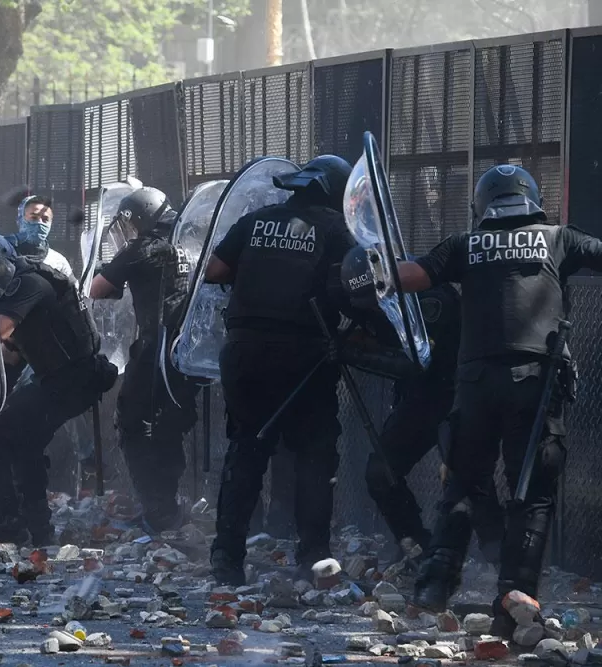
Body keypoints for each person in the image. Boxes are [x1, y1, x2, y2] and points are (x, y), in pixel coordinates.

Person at [393, 165, 602, 636]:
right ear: (531, 197)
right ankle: (514, 602)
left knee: (464, 484)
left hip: (476, 385)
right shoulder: (557, 238)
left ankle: (433, 585)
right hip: (534, 385)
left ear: (482, 203)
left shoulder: (464, 243)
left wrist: (370, 269)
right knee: (533, 494)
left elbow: (410, 277)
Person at [201, 155, 357, 584]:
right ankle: (314, 557)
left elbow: (213, 270)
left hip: (244, 352)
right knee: (313, 454)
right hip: (303, 353)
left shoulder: (257, 219)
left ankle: (226, 559)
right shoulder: (335, 228)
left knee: (247, 450)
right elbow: (350, 284)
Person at [0, 232, 117, 554]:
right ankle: (38, 530)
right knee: (22, 441)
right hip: (58, 379)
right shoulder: (16, 292)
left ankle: (6, 523)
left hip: (73, 379)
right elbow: (14, 356)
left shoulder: (28, 284)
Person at [337, 256, 505, 563]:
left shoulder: (430, 297)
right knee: (381, 472)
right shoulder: (382, 302)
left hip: (455, 396)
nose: (374, 308)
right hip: (420, 400)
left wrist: (356, 353)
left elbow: (418, 363)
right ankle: (418, 548)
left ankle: (500, 557)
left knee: (468, 476)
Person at [88, 187, 199, 533]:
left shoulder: (141, 249)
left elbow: (96, 288)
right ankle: (167, 507)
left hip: (156, 348)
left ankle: (158, 509)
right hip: (189, 350)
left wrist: (116, 265)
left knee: (134, 424)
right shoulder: (189, 241)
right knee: (169, 427)